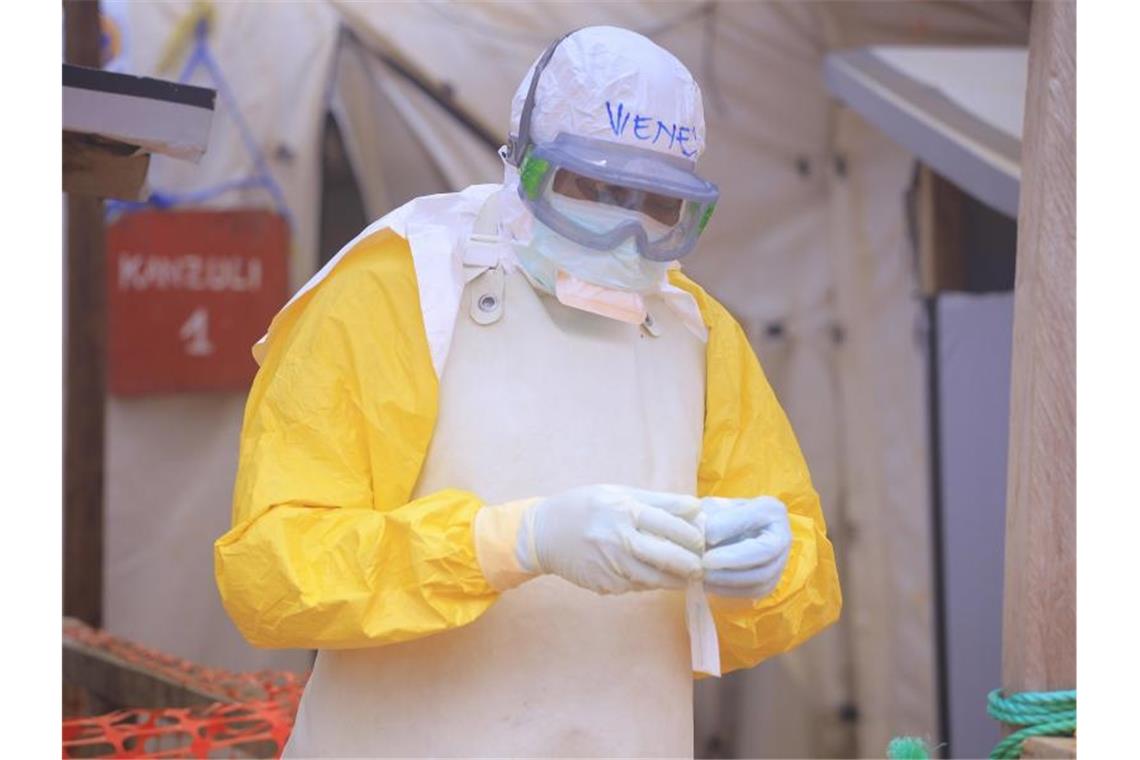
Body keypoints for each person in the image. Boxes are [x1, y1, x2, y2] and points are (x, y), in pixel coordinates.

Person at [215, 25, 841, 758]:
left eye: (657, 205)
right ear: (523, 166)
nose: (625, 233)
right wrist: (510, 543)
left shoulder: (696, 333)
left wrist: (766, 568)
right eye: (595, 189)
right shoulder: (398, 289)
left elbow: (798, 560)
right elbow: (274, 571)